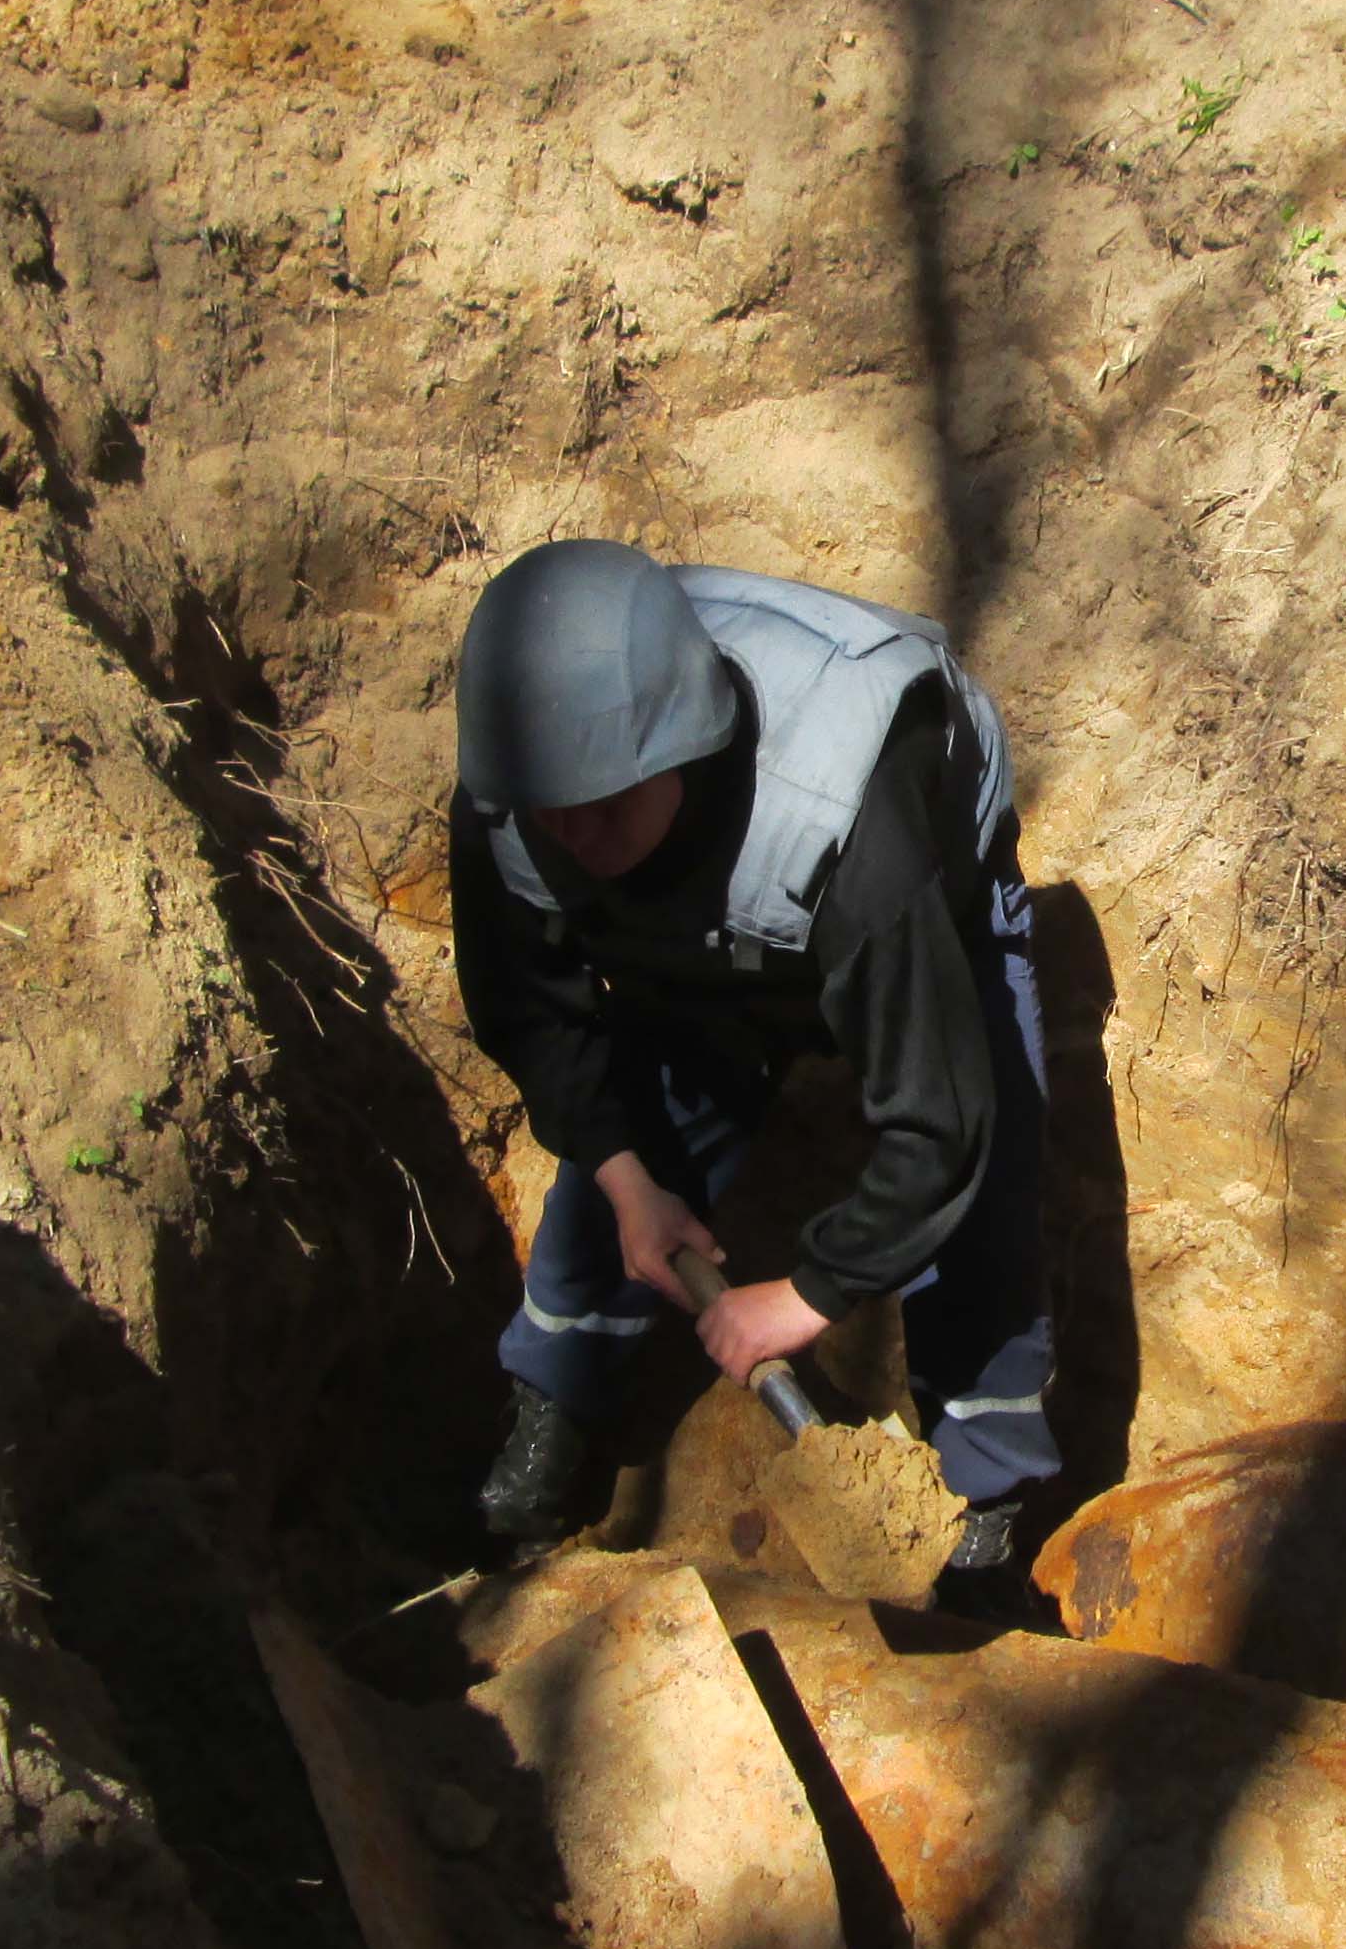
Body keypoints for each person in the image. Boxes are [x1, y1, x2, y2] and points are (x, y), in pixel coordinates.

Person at [446, 542, 1061, 1603]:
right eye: (551, 810)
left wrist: (810, 1293)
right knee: (638, 1137)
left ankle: (987, 1489)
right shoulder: (524, 789)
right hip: (703, 925)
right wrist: (630, 1180)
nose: (570, 835)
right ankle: (556, 1400)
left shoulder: (849, 816)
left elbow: (938, 1119)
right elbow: (534, 1018)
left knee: (984, 1182)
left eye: (599, 805)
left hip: (919, 890)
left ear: (678, 753)